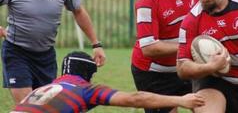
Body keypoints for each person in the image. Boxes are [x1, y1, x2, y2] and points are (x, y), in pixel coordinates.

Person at [0, 0, 106, 104]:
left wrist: (96, 44)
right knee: (27, 106)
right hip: (17, 53)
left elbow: (78, 11)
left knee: (46, 106)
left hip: (46, 56)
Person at [11, 51, 205, 112]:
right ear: (88, 75)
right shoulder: (85, 88)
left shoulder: (46, 87)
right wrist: (180, 101)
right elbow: (135, 99)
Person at [131, 0, 198, 113]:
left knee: (208, 107)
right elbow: (149, 48)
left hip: (185, 66)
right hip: (153, 72)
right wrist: (192, 46)